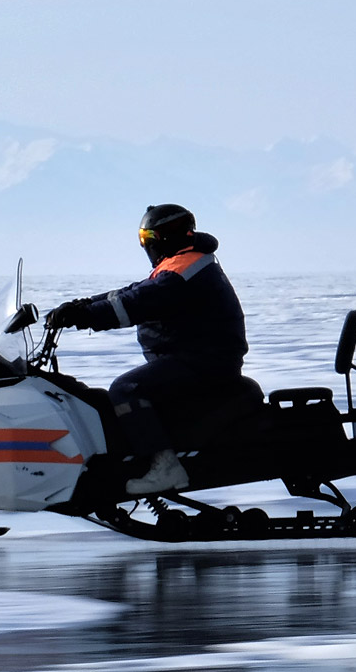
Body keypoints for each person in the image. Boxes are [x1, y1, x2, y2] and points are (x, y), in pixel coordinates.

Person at [45, 203, 248, 495]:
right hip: (199, 358)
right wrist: (83, 304)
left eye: (146, 236)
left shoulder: (185, 269)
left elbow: (138, 302)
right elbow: (133, 290)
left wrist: (85, 317)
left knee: (127, 388)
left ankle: (165, 467)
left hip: (203, 362)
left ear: (165, 236)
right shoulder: (184, 262)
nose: (145, 244)